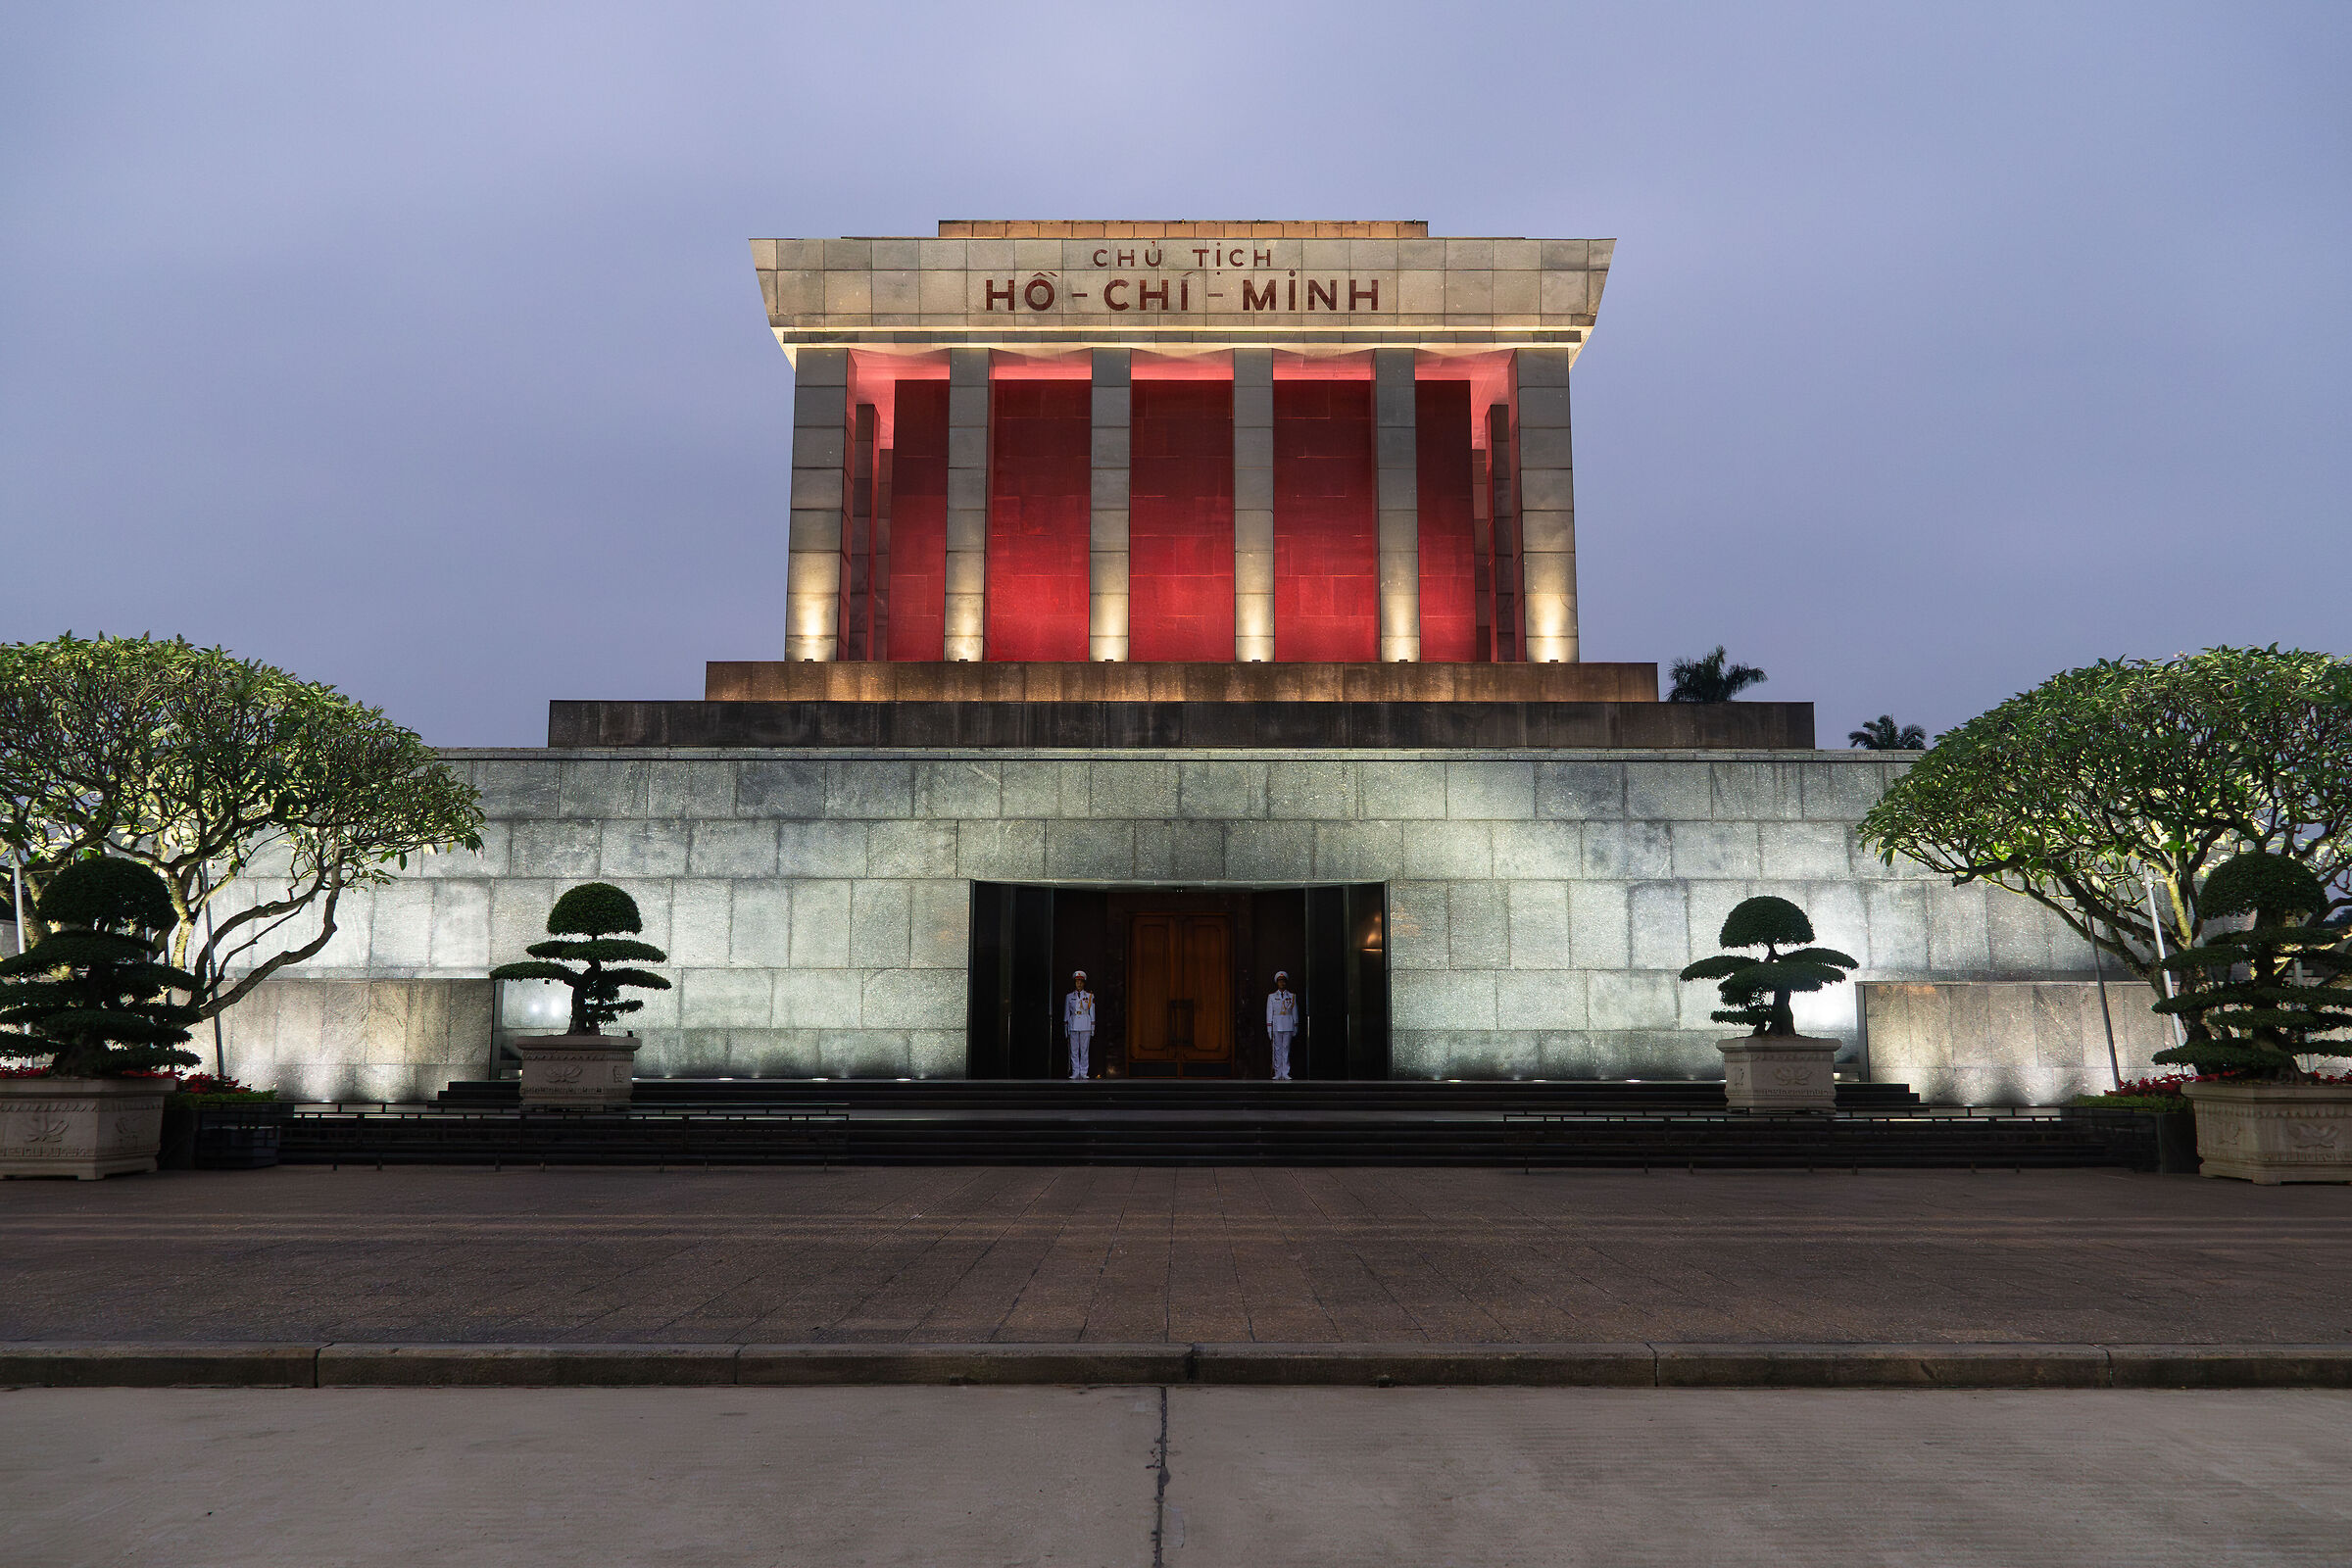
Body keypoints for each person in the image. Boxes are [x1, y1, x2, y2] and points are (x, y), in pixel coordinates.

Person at [1267, 971, 1299, 1081]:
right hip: (1276, 1025)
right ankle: (1277, 1072)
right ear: (1277, 983)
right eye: (1280, 981)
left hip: (1288, 1024)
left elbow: (1295, 1012)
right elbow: (1269, 1013)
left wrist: (1296, 1026)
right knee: (1277, 1049)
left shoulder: (1292, 996)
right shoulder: (1271, 996)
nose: (1282, 983)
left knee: (1286, 1049)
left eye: (1283, 981)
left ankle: (1285, 1072)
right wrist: (1269, 1028)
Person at [1063, 970, 1096, 1080]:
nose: (1079, 984)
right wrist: (1066, 1028)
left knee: (1084, 1050)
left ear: (1084, 983)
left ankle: (1083, 1072)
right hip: (1073, 1024)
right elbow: (1067, 1013)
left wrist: (1092, 1028)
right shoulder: (1069, 996)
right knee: (1074, 1050)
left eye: (1081, 981)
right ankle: (1075, 1072)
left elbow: (1092, 1013)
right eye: (1077, 981)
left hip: (1085, 1024)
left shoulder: (1089, 996)